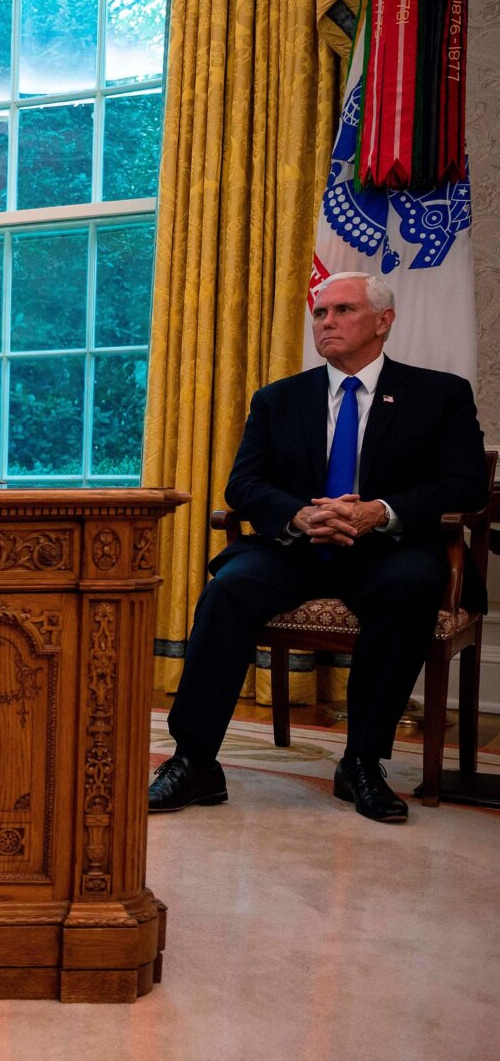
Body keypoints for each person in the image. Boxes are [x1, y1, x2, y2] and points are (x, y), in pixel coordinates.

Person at [150, 271, 487, 823]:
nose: (326, 322)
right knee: (229, 588)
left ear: (383, 321)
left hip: (387, 550)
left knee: (409, 586)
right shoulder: (278, 399)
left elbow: (466, 484)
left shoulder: (439, 395)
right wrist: (299, 515)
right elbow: (244, 485)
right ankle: (194, 761)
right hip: (297, 549)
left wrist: (379, 511)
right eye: (320, 313)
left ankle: (360, 763)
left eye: (342, 310)